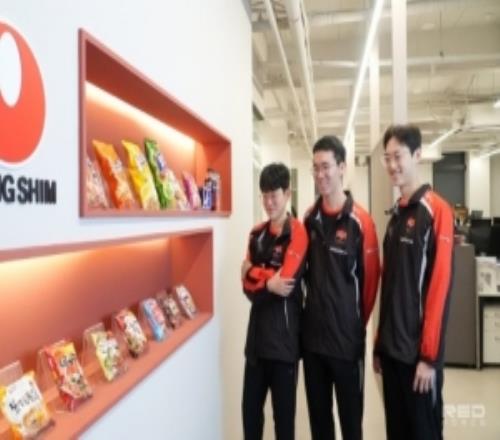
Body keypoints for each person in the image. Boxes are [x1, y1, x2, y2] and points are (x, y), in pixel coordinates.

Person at [373, 124, 454, 440]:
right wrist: (379, 343)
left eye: (399, 156)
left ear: (417, 155)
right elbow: (391, 287)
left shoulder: (437, 212)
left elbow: (440, 288)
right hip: (392, 354)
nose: (392, 165)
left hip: (418, 360)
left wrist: (429, 358)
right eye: (387, 158)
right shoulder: (396, 216)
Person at [302, 135, 380, 440]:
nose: (320, 174)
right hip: (313, 344)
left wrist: (353, 323)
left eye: (326, 166)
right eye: (315, 168)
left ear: (342, 168)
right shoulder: (309, 219)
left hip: (346, 345)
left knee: (351, 426)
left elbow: (370, 284)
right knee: (320, 426)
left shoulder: (361, 222)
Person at [241, 162, 308, 440]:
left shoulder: (298, 232)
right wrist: (269, 282)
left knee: (284, 426)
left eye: (274, 195)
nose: (269, 202)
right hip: (256, 346)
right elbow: (245, 287)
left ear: (287, 194)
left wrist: (254, 274)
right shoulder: (256, 234)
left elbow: (287, 282)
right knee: (250, 419)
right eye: (264, 195)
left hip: (284, 347)